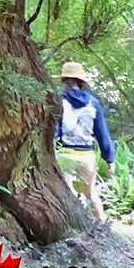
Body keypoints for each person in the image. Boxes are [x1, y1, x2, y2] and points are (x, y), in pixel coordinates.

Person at [54, 61, 115, 221]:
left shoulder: (58, 101)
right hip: (87, 156)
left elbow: (54, 131)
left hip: (64, 155)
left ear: (64, 81)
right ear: (81, 82)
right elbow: (102, 133)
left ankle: (75, 228)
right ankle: (103, 226)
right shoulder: (93, 103)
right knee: (91, 193)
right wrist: (110, 159)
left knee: (69, 195)